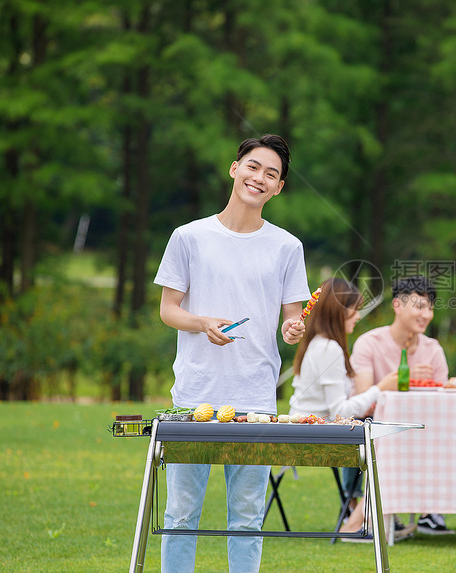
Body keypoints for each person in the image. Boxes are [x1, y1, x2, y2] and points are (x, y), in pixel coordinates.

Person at [154, 134, 311, 572]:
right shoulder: (189, 237)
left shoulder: (287, 246)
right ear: (234, 168)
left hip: (255, 398)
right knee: (181, 515)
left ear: (279, 188)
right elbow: (169, 310)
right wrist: (202, 322)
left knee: (246, 520)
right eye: (254, 167)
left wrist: (293, 329)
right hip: (195, 394)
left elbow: (290, 321)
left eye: (272, 174)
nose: (260, 178)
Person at [350, 275, 452, 536]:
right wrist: (400, 379)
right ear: (397, 305)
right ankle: (379, 513)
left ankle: (426, 509)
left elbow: (443, 403)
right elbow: (362, 401)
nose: (426, 314)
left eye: (430, 308)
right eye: (419, 306)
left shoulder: (433, 349)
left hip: (424, 433)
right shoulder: (369, 343)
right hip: (374, 429)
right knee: (389, 436)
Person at [288, 277, 398, 420]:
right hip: (311, 433)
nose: (358, 316)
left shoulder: (317, 342)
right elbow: (339, 413)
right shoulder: (329, 348)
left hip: (302, 427)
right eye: (355, 309)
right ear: (338, 310)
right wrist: (380, 388)